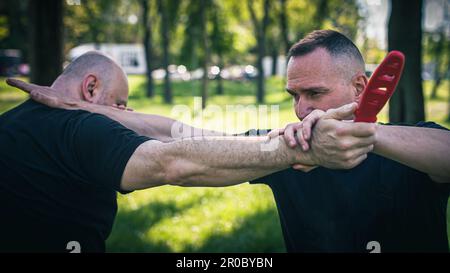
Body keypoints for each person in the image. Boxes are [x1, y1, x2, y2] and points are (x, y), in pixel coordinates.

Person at [9, 30, 450, 252]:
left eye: (314, 94)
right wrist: (86, 108)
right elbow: (173, 133)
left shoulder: (412, 145)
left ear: (360, 87)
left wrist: (367, 137)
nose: (300, 110)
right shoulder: (288, 146)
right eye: (294, 96)